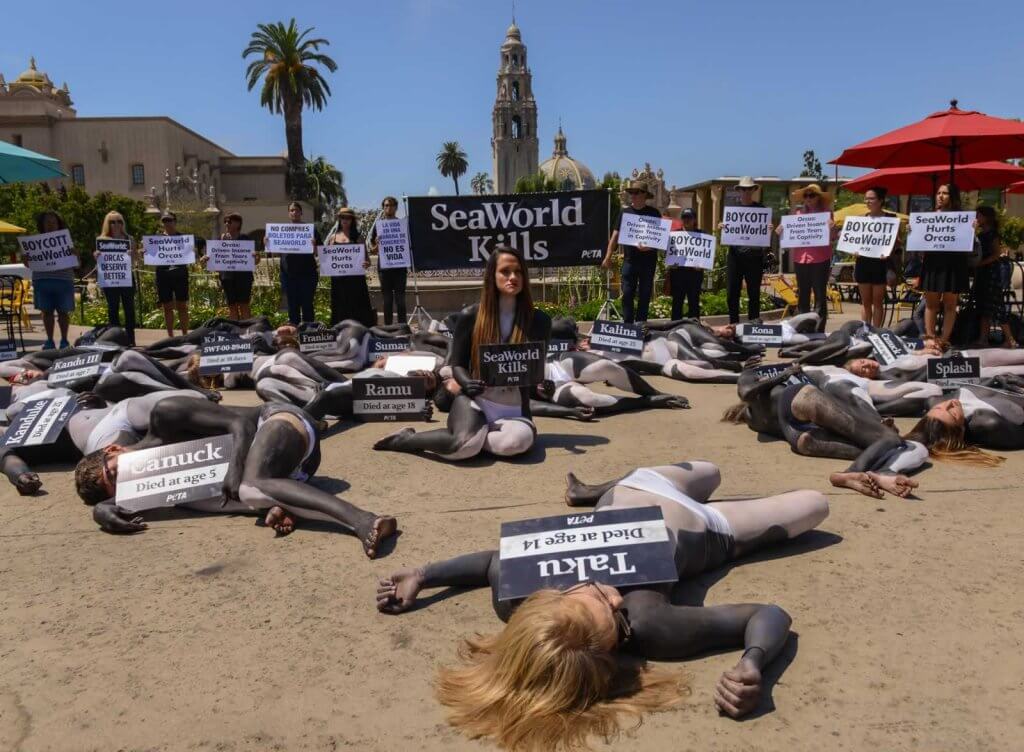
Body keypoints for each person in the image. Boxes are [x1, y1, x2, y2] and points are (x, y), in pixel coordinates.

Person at [376, 461, 829, 747]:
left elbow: (490, 562)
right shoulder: (654, 625)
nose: (612, 593)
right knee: (816, 504)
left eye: (592, 591)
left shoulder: (517, 592)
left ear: (549, 597)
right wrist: (753, 663)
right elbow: (768, 614)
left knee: (712, 470)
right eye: (613, 610)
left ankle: (594, 490)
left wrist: (422, 574)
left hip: (638, 483)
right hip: (709, 528)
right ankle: (603, 492)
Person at [74, 396, 397, 557]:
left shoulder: (166, 415)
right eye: (118, 488)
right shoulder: (159, 486)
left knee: (249, 485)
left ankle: (363, 519)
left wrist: (234, 468)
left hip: (281, 424)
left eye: (116, 472)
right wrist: (102, 510)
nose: (126, 480)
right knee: (229, 496)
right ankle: (283, 503)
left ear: (113, 449)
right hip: (294, 470)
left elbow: (239, 425)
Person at [374, 245, 551, 460]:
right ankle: (406, 439)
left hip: (513, 408)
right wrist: (467, 383)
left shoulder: (539, 321)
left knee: (515, 443)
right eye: (505, 271)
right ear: (492, 275)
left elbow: (533, 371)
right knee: (462, 447)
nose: (512, 277)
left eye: (519, 272)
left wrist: (541, 385)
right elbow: (456, 365)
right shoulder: (470, 316)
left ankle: (474, 437)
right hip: (476, 401)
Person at [602, 179, 662, 324]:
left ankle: (641, 325)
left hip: (648, 262)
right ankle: (628, 325)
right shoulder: (625, 212)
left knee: (645, 294)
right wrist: (608, 255)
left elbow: (660, 238)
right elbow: (615, 235)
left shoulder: (654, 213)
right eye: (631, 192)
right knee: (627, 294)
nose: (633, 195)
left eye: (636, 193)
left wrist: (650, 246)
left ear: (644, 195)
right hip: (630, 261)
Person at [779, 183, 835, 333]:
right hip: (800, 259)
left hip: (820, 259)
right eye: (806, 195)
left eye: (812, 195)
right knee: (802, 295)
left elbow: (833, 238)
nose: (808, 198)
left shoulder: (827, 214)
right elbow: (789, 233)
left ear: (819, 197)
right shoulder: (797, 214)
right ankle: (804, 327)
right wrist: (781, 231)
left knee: (819, 295)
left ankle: (818, 329)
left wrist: (832, 228)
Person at [917, 184, 969, 345]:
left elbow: (968, 242)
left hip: (954, 264)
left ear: (952, 196)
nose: (940, 196)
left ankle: (945, 339)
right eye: (938, 193)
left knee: (950, 304)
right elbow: (919, 241)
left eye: (945, 193)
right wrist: (914, 230)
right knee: (931, 303)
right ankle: (931, 338)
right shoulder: (928, 216)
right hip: (933, 263)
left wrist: (972, 229)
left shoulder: (962, 217)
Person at [719, 177, 769, 324]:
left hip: (755, 257)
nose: (746, 192)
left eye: (749, 189)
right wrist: (721, 226)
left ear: (754, 190)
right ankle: (734, 324)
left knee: (754, 293)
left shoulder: (762, 210)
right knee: (731, 293)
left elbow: (765, 235)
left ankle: (753, 323)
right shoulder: (732, 209)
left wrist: (768, 229)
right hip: (735, 256)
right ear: (739, 191)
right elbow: (727, 230)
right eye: (743, 189)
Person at [30, 210, 80, 350]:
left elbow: (77, 265)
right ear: (42, 225)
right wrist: (26, 259)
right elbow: (29, 264)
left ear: (59, 224)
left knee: (63, 312)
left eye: (53, 222)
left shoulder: (67, 242)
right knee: (46, 312)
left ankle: (64, 340)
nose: (51, 225)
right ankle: (49, 341)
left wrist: (75, 255)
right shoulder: (34, 243)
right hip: (42, 281)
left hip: (63, 281)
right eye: (48, 222)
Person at [971, 206, 1018, 348]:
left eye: (979, 215)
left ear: (987, 217)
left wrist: (981, 264)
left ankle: (1010, 340)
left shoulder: (992, 234)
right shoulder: (981, 234)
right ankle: (983, 339)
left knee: (997, 306)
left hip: (991, 273)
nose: (977, 218)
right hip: (982, 273)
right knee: (983, 306)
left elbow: (996, 254)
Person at [854, 187, 900, 328]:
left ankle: (877, 332)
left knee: (878, 301)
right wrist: (854, 250)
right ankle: (866, 330)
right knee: (865, 302)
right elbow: (854, 241)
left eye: (872, 198)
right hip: (863, 262)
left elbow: (897, 243)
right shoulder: (861, 220)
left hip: (881, 263)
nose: (868, 201)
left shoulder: (891, 219)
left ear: (880, 201)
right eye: (866, 198)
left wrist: (889, 250)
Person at [326, 207, 375, 326]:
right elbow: (327, 258)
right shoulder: (332, 238)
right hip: (338, 280)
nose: (345, 220)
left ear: (352, 220)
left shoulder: (358, 238)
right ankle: (339, 330)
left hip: (355, 280)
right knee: (339, 305)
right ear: (339, 219)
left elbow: (367, 260)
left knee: (357, 305)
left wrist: (366, 263)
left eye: (348, 217)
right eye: (342, 217)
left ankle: (359, 331)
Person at [96, 210, 138, 346]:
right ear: (107, 224)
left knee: (129, 309)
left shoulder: (129, 239)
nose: (116, 224)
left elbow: (136, 259)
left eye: (119, 221)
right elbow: (99, 260)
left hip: (126, 277)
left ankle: (131, 338)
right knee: (112, 308)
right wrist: (96, 255)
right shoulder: (101, 240)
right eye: (112, 222)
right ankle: (115, 338)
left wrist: (132, 254)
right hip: (110, 279)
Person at [279, 201, 320, 326]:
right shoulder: (281, 231)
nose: (294, 212)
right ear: (288, 213)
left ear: (301, 212)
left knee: (307, 304)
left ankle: (309, 332)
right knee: (292, 306)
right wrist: (267, 242)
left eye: (297, 210)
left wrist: (314, 245)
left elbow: (319, 252)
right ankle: (294, 332)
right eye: (291, 210)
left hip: (307, 274)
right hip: (288, 275)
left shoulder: (311, 229)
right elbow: (274, 250)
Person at [369, 196, 408, 325]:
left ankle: (403, 326)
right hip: (384, 269)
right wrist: (377, 244)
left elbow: (407, 245)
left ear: (396, 208)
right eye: (386, 205)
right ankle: (388, 327)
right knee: (387, 301)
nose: (388, 208)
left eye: (391, 205)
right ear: (383, 208)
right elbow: (373, 250)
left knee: (400, 300)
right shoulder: (378, 226)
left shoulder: (402, 225)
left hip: (400, 269)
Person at [153, 211, 190, 338]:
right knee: (167, 307)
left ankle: (185, 336)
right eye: (164, 221)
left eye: (169, 220)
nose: (167, 223)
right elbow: (151, 256)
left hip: (180, 275)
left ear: (175, 221)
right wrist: (144, 252)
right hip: (163, 275)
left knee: (182, 306)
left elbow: (189, 256)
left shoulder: (183, 238)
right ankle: (170, 337)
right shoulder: (156, 239)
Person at [215, 212, 256, 321]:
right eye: (225, 222)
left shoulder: (245, 239)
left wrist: (256, 257)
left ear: (238, 223)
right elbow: (216, 259)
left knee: (244, 305)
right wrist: (206, 259)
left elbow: (254, 261)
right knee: (231, 306)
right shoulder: (220, 239)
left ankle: (247, 332)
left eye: (229, 221)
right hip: (227, 278)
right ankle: (235, 333)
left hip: (244, 277)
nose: (226, 224)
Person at [668, 208, 706, 319]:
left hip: (695, 273)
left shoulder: (702, 235)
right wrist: (671, 263)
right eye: (684, 218)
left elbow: (707, 254)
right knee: (677, 303)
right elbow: (669, 252)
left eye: (689, 218)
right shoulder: (674, 235)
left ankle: (694, 329)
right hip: (678, 273)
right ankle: (674, 328)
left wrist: (702, 265)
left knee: (694, 303)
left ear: (694, 220)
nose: (687, 220)